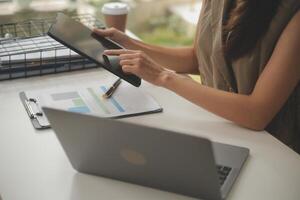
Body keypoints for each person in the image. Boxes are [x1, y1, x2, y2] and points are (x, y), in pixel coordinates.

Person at [94, 0, 300, 154]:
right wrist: (130, 44)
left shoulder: (293, 13)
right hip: (223, 131)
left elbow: (257, 113)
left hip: (274, 150)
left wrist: (164, 77)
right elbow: (200, 57)